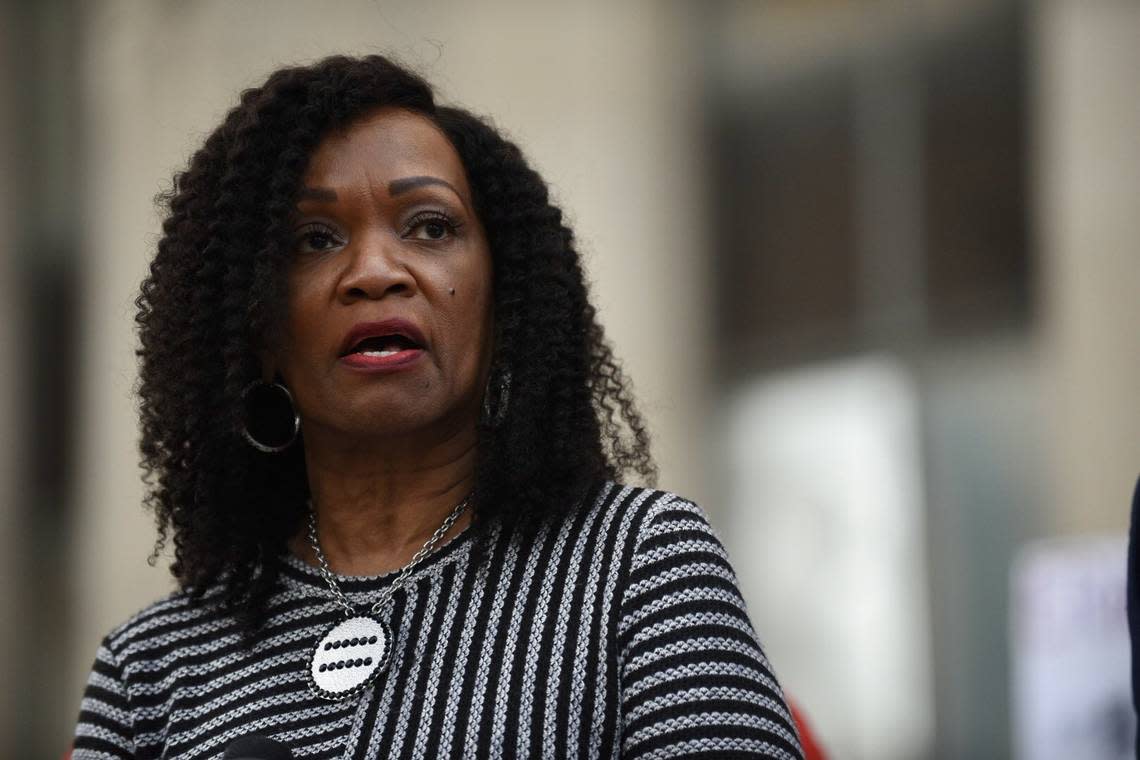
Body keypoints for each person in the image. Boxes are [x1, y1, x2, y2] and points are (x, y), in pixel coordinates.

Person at [70, 54, 804, 759]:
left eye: (430, 226)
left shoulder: (641, 566)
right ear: (256, 329)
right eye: (314, 239)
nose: (376, 272)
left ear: (501, 297)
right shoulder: (148, 670)